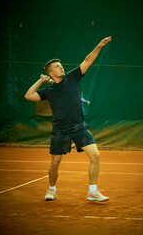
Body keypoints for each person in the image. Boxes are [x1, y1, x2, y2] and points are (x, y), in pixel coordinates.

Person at [25, 36, 111, 202]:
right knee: (55, 163)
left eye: (61, 65)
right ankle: (51, 190)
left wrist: (99, 46)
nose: (61, 67)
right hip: (60, 130)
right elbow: (28, 95)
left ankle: (92, 192)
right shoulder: (48, 91)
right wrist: (41, 80)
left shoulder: (73, 77)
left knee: (95, 156)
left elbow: (88, 60)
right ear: (51, 73)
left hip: (79, 126)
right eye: (57, 67)